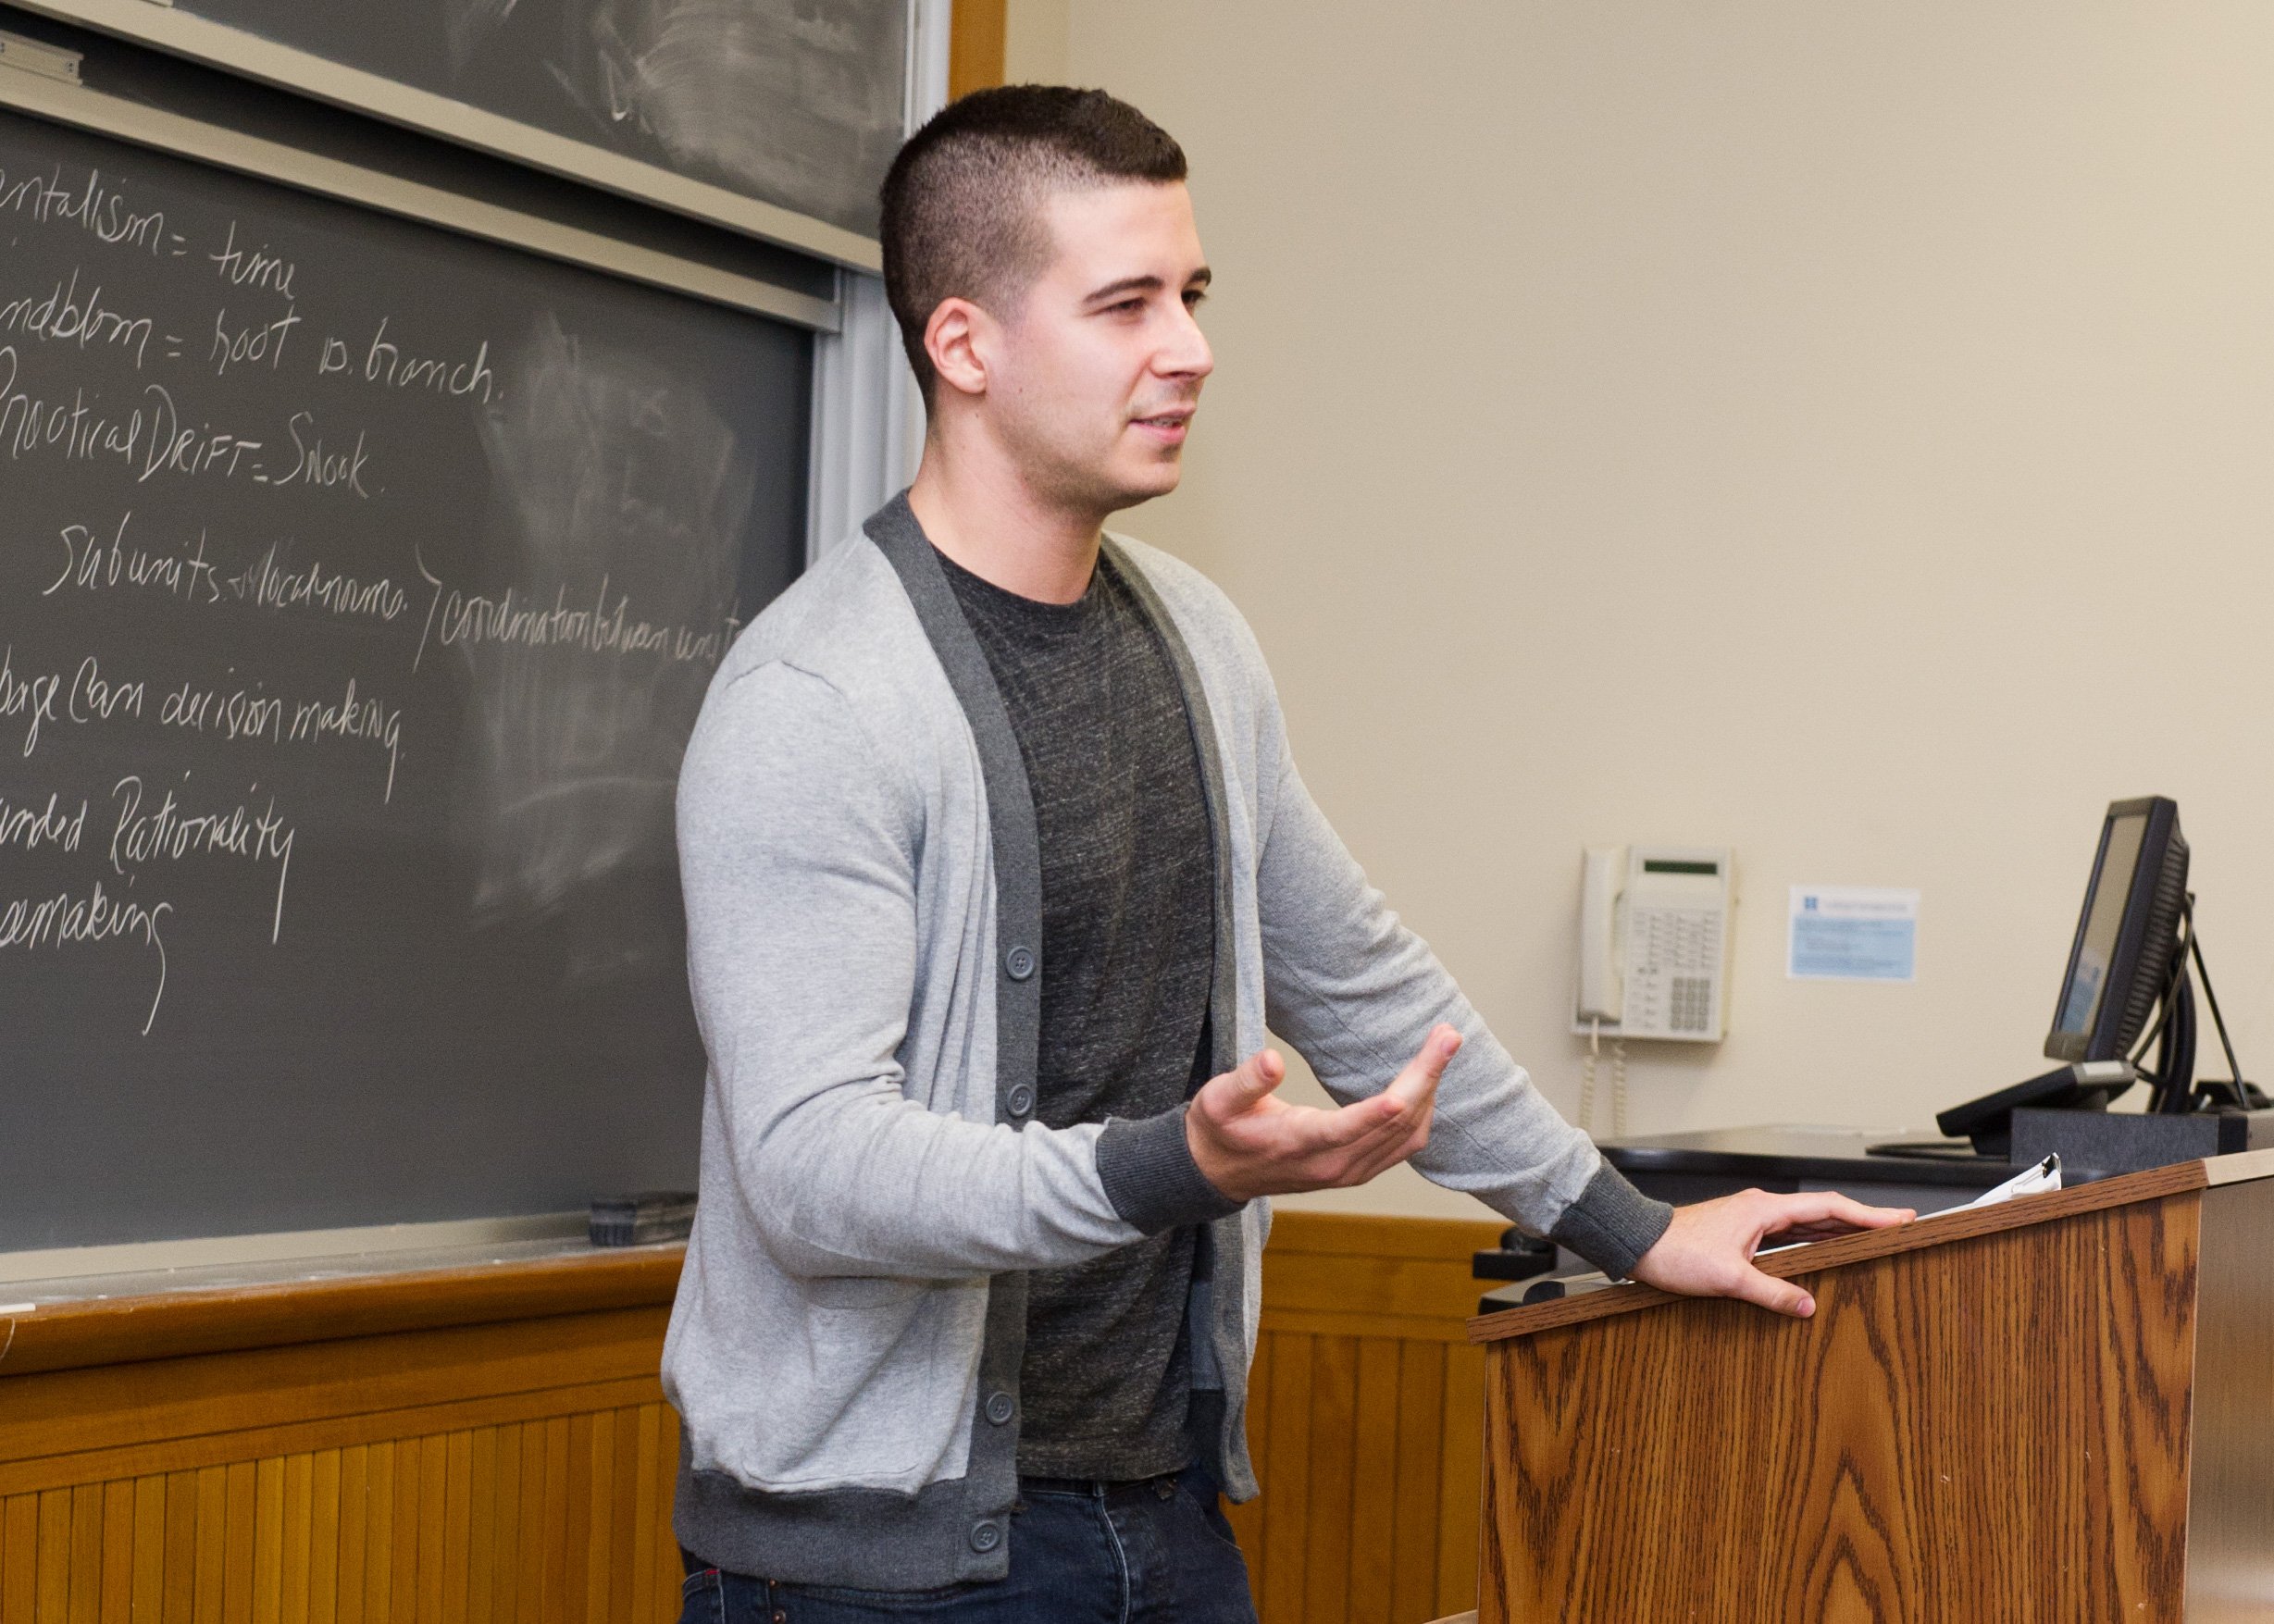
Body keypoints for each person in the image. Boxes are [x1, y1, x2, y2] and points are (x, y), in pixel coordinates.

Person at [664, 84, 1910, 1623]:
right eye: (1123, 304)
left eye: (1189, 296)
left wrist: (1628, 1230)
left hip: (1164, 1520)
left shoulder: (1198, 641)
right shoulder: (817, 700)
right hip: (882, 1570)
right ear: (964, 344)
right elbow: (809, 1173)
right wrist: (1166, 1167)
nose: (1187, 348)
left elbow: (1361, 981)